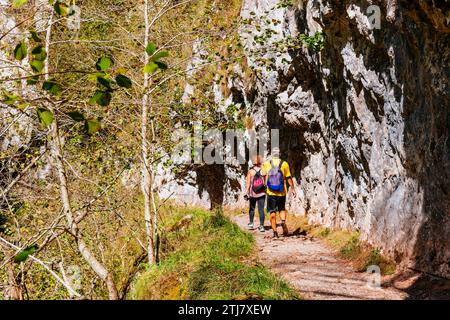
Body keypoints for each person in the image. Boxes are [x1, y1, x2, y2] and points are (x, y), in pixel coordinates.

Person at [262, 147, 297, 238]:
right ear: (279, 154)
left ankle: (275, 232)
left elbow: (265, 178)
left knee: (272, 212)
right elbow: (288, 177)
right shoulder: (284, 164)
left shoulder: (266, 164)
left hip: (271, 192)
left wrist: (265, 187)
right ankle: (283, 222)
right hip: (282, 191)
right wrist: (293, 189)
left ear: (271, 154)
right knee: (282, 209)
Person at [244, 155, 266, 232]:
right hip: (262, 192)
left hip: (253, 193)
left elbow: (248, 183)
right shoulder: (263, 170)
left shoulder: (250, 171)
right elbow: (265, 182)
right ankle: (262, 226)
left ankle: (251, 223)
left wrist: (246, 192)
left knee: (252, 208)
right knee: (261, 209)